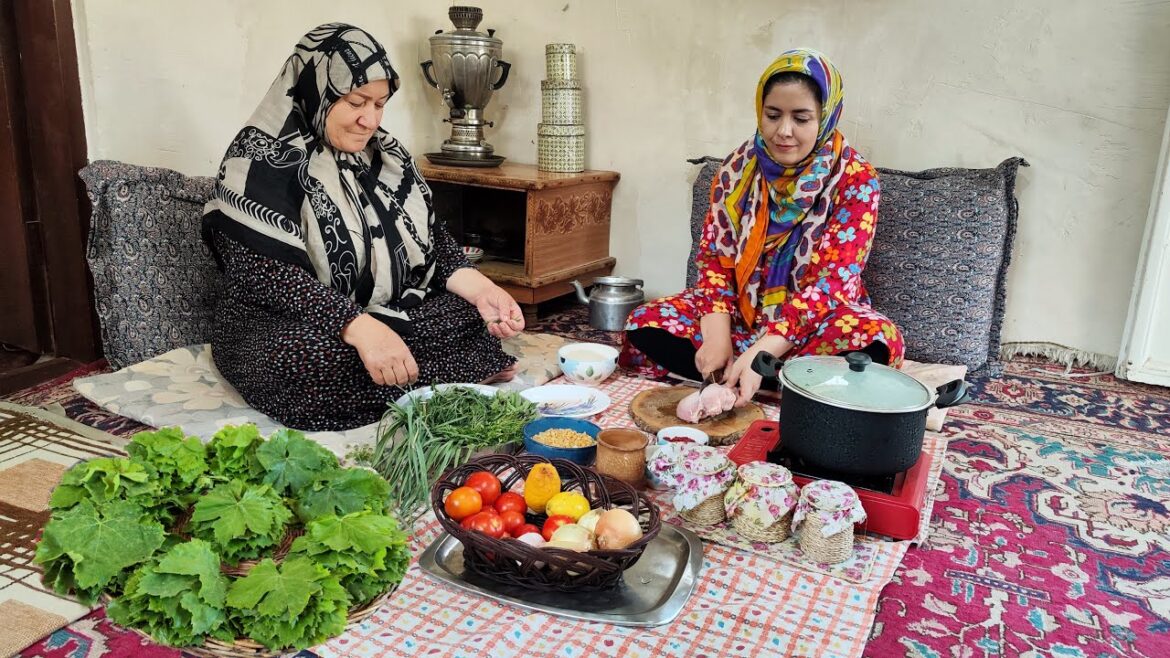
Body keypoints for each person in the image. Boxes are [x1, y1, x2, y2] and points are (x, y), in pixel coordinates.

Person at [202, 23, 524, 431]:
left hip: (380, 310)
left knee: (466, 312)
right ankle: (449, 372)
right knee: (304, 363)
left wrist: (483, 292)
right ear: (317, 89)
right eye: (356, 102)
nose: (369, 120)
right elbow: (267, 277)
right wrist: (358, 328)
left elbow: (429, 238)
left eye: (379, 104)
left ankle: (413, 372)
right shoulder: (260, 157)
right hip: (279, 321)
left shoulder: (383, 155)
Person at [620, 48, 904, 405]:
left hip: (812, 321)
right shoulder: (737, 169)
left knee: (875, 338)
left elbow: (832, 284)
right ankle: (779, 381)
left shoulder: (856, 180)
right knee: (647, 319)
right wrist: (717, 335)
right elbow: (713, 258)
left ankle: (754, 373)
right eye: (773, 115)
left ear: (826, 117)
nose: (784, 131)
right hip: (741, 313)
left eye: (801, 118)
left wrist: (766, 350)